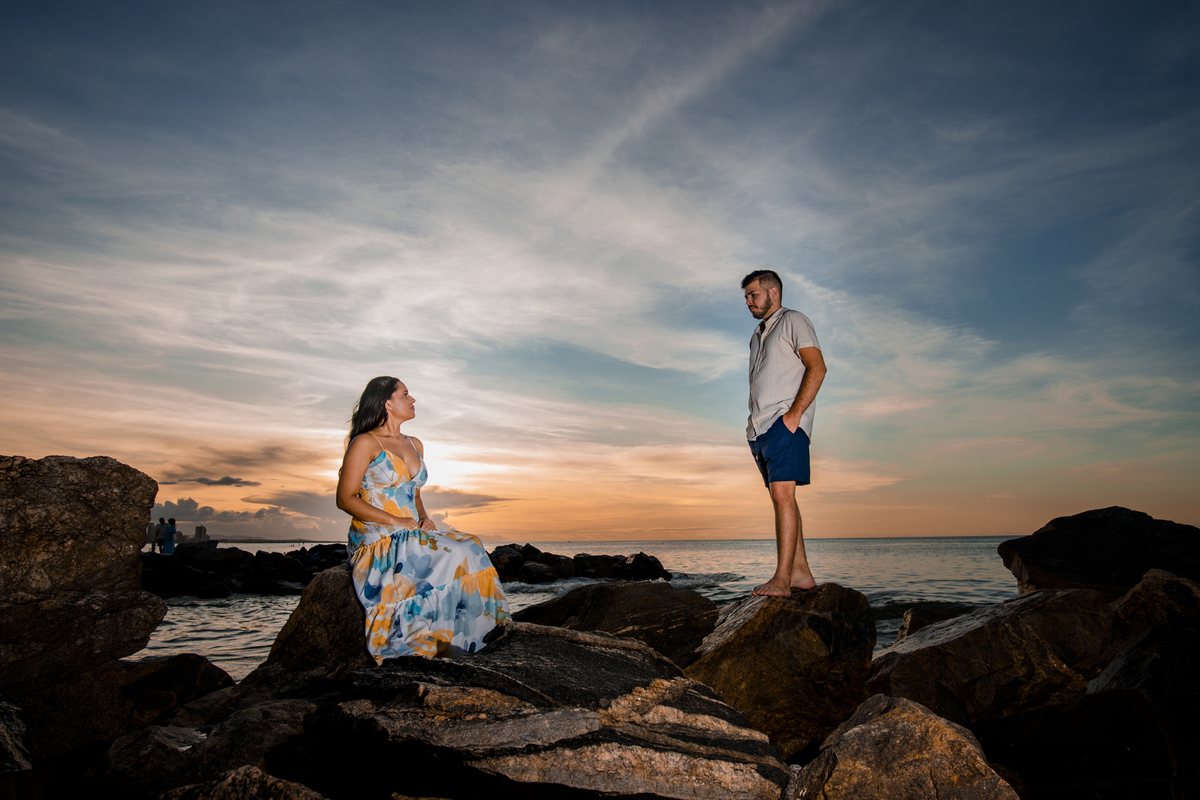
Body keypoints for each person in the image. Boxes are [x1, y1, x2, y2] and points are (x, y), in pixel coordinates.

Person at [336, 376, 510, 661]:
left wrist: (424, 518)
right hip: (378, 537)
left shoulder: (415, 444)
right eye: (406, 394)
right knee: (456, 551)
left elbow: (414, 495)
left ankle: (477, 638)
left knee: (471, 545)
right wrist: (396, 521)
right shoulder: (365, 443)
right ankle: (425, 636)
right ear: (388, 403)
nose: (413, 399)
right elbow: (345, 499)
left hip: (410, 530)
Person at [742, 269, 827, 597]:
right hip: (760, 429)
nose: (749, 301)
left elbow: (817, 367)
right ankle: (801, 573)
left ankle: (781, 579)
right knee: (782, 497)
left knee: (783, 496)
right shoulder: (757, 335)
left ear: (773, 292)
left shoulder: (794, 320)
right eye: (746, 297)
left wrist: (793, 417)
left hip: (783, 424)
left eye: (754, 294)